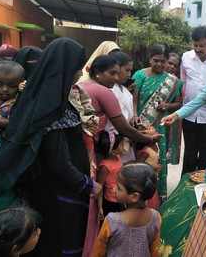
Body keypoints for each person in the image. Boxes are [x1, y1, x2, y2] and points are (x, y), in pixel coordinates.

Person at [0, 38, 102, 257]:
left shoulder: (48, 98)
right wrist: (87, 185)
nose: (80, 74)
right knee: (60, 243)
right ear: (63, 69)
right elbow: (57, 161)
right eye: (77, 69)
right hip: (60, 193)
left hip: (54, 189)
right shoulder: (51, 107)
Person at [74, 54, 160, 257]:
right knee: (100, 192)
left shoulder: (83, 87)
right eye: (111, 73)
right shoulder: (103, 91)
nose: (116, 76)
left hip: (88, 148)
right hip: (96, 151)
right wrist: (148, 139)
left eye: (118, 72)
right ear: (96, 72)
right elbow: (122, 126)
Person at [132, 44, 183, 198]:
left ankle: (159, 196)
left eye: (163, 61)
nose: (159, 64)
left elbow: (179, 104)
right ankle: (138, 192)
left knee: (158, 159)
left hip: (160, 126)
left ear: (167, 61)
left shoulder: (173, 81)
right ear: (150, 59)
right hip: (141, 125)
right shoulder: (140, 75)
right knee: (140, 157)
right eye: (156, 60)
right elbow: (134, 98)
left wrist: (167, 105)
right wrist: (135, 115)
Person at [92, 162, 162, 257]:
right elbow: (156, 251)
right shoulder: (155, 217)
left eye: (119, 188)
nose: (113, 188)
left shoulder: (111, 220)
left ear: (134, 196)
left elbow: (98, 252)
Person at [180, 26, 206, 174]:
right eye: (195, 45)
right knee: (189, 153)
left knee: (205, 155)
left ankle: (201, 189)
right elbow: (183, 81)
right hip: (189, 114)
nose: (198, 49)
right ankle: (184, 189)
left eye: (202, 45)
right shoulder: (186, 57)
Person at [0, 60, 25, 211]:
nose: (5, 90)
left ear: (20, 84)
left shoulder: (20, 101)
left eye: (11, 86)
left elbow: (13, 124)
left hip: (8, 151)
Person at [106, 51, 136, 164]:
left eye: (131, 71)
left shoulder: (124, 90)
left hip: (126, 138)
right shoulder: (110, 90)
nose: (129, 74)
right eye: (127, 70)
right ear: (117, 68)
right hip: (115, 140)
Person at [97, 131, 123, 218]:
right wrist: (100, 207)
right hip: (111, 201)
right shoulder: (105, 166)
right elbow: (99, 186)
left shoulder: (117, 157)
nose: (123, 146)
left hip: (121, 197)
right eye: (120, 144)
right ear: (113, 149)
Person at [164, 52, 184, 165]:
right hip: (151, 120)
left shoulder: (178, 83)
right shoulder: (152, 78)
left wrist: (166, 106)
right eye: (170, 63)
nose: (172, 67)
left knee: (164, 150)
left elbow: (179, 103)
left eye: (175, 65)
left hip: (167, 120)